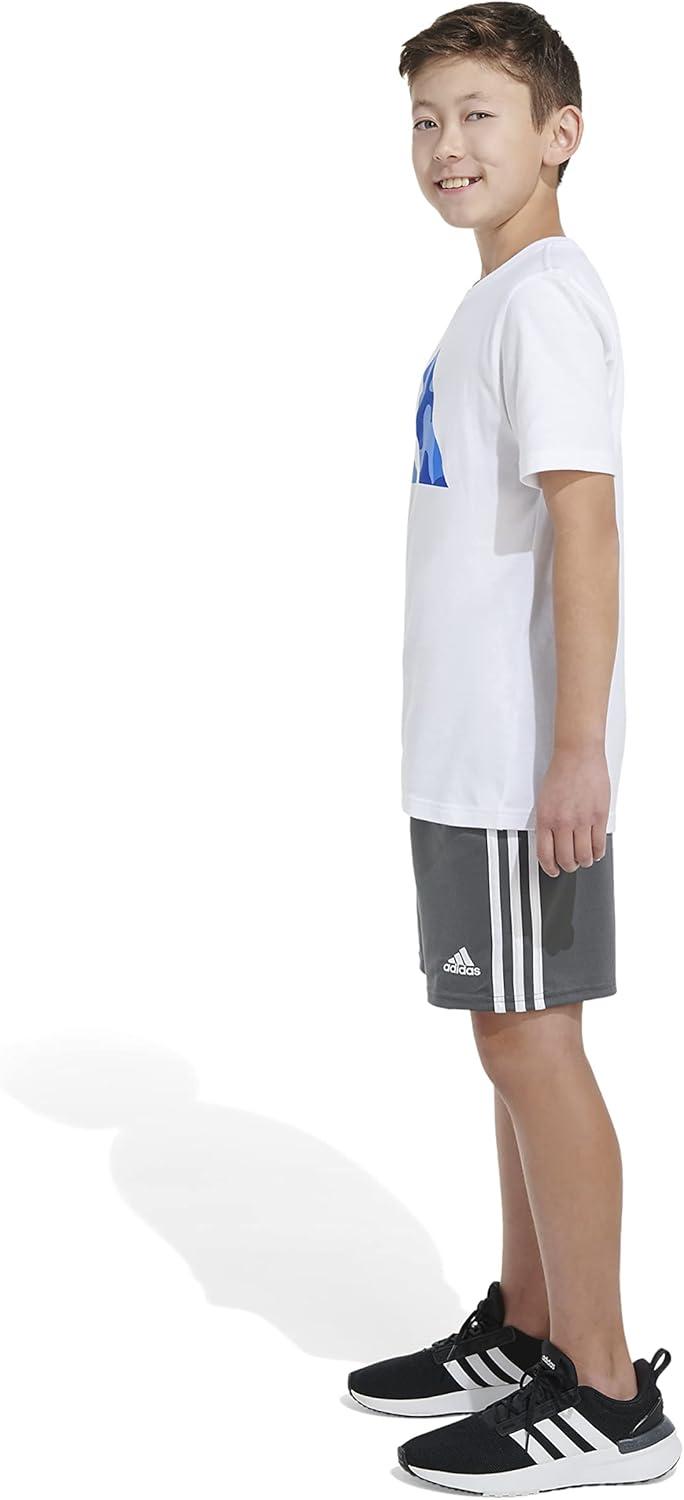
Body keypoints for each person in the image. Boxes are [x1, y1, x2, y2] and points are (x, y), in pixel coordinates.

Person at [346, 5, 681, 1493]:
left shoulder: (543, 298)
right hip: (468, 752)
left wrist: (575, 751)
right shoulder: (494, 302)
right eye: (426, 119)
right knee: (509, 1032)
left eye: (479, 114)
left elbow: (588, 524)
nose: (446, 146)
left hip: (516, 760)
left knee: (528, 1041)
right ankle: (536, 1328)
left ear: (560, 134)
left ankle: (606, 1394)